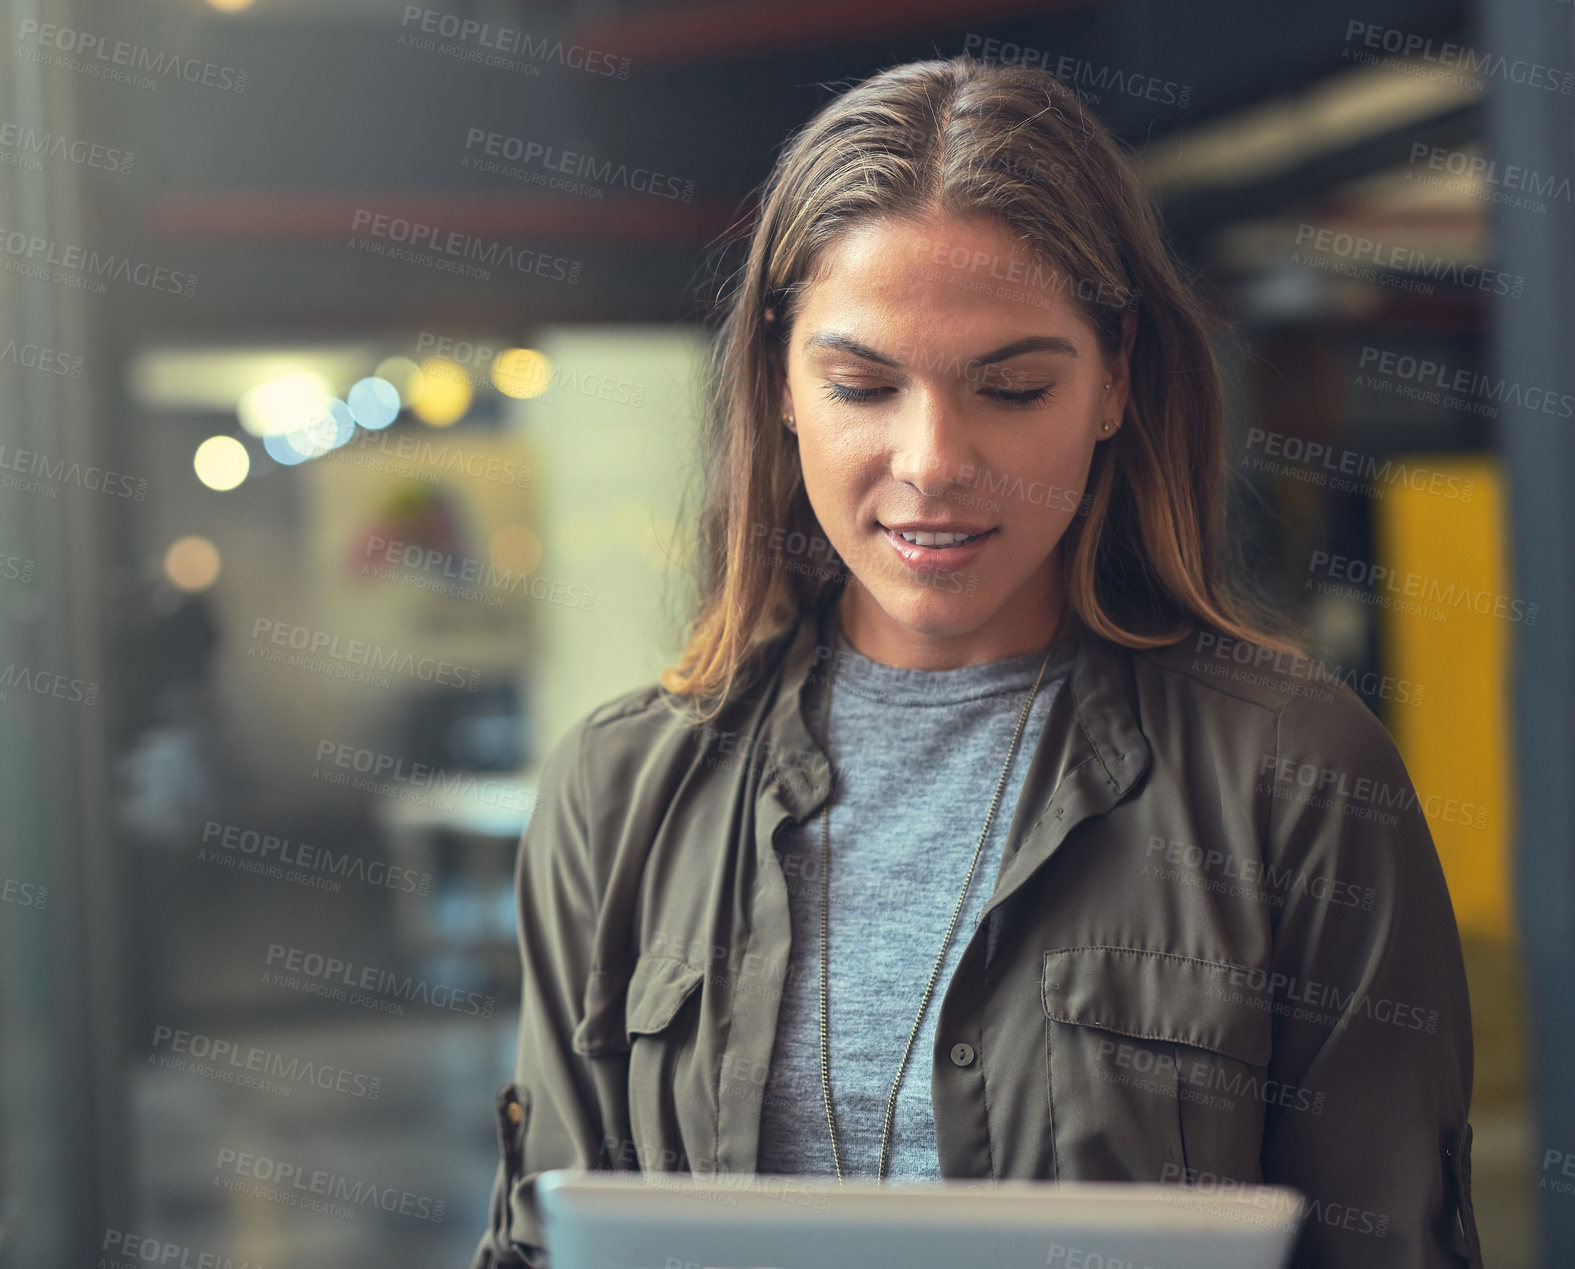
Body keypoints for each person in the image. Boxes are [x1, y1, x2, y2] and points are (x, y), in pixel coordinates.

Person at [471, 54, 1482, 1269]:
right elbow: (541, 1239)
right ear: (782, 386)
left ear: (1115, 381)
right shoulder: (619, 790)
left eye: (1010, 387)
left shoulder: (1296, 778)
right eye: (862, 384)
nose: (933, 459)